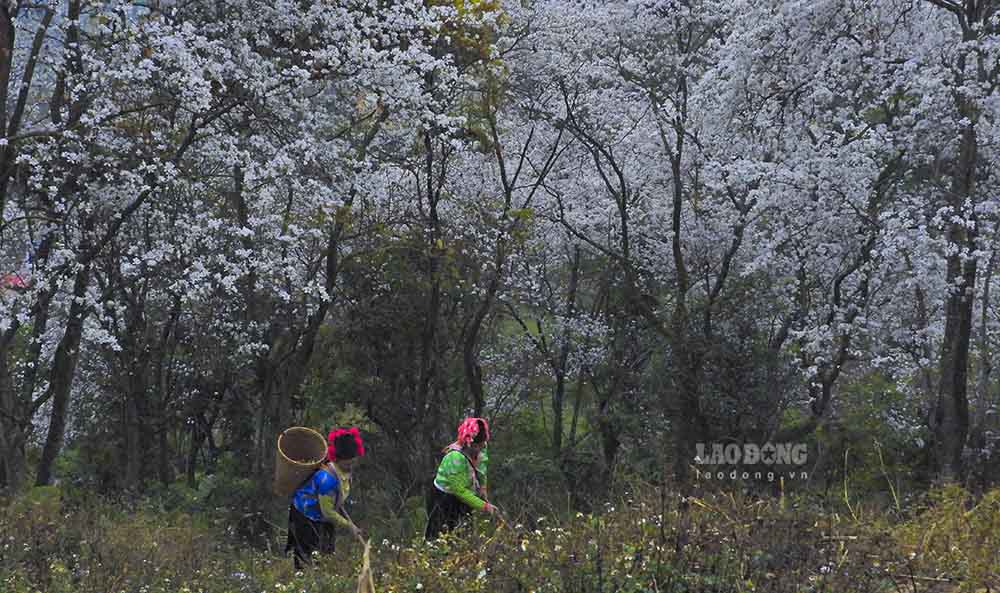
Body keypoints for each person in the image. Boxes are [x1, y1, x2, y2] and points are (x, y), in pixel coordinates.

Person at [286, 426, 366, 569]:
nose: (352, 465)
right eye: (348, 462)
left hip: (322, 513)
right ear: (339, 459)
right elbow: (327, 512)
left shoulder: (344, 472)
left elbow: (335, 500)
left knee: (327, 553)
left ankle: (325, 578)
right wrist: (349, 526)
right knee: (306, 556)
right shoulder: (327, 479)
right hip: (304, 514)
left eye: (354, 461)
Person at [425, 417, 499, 540]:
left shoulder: (482, 447)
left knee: (464, 532)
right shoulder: (455, 457)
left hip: (466, 491)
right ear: (467, 442)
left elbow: (482, 468)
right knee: (439, 534)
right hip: (444, 497)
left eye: (481, 445)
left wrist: (483, 489)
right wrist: (484, 506)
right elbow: (459, 491)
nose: (479, 448)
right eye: (475, 446)